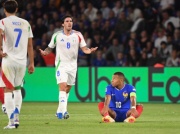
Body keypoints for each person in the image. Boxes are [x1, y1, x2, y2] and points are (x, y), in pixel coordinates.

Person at [39, 15, 98, 119]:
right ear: (63, 24)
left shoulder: (78, 34)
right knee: (62, 87)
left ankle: (59, 110)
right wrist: (45, 52)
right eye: (67, 21)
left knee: (67, 89)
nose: (69, 23)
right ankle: (63, 113)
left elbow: (84, 49)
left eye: (71, 21)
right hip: (61, 65)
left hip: (73, 66)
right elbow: (50, 48)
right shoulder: (56, 35)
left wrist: (90, 51)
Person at [0, 0, 34, 129]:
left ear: (5, 10)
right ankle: (17, 117)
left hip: (8, 60)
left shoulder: (3, 22)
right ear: (16, 9)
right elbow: (30, 45)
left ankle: (11, 122)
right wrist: (31, 63)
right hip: (22, 62)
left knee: (8, 90)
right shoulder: (25, 23)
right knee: (18, 88)